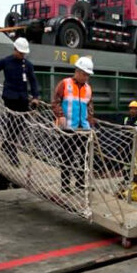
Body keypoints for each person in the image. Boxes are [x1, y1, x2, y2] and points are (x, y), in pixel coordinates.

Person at [0, 37, 40, 167]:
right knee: (13, 122)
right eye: (20, 52)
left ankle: (6, 144)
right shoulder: (5, 61)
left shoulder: (28, 65)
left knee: (21, 124)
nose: (22, 55)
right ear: (15, 49)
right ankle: (11, 151)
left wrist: (36, 96)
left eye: (24, 53)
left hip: (23, 98)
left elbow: (33, 81)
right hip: (9, 97)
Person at [52, 56, 95, 194]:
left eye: (88, 75)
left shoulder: (88, 89)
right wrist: (60, 115)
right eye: (84, 74)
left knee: (84, 158)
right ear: (77, 71)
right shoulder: (65, 84)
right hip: (68, 128)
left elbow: (89, 107)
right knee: (67, 158)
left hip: (83, 129)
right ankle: (65, 186)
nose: (85, 77)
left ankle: (80, 184)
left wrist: (91, 124)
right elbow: (55, 102)